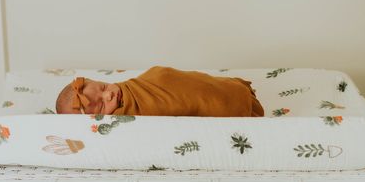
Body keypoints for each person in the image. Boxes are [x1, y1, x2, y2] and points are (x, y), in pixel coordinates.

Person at [56, 66, 264, 117]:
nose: (109, 94)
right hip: (233, 106)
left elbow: (172, 81)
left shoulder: (132, 86)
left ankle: (231, 88)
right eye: (101, 105)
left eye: (103, 87)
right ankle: (236, 98)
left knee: (163, 75)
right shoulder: (124, 114)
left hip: (159, 81)